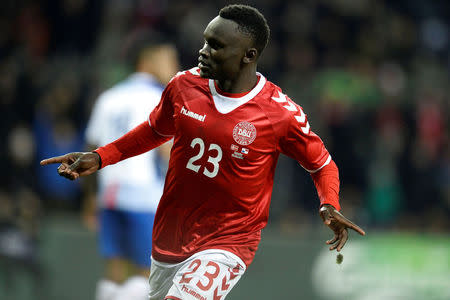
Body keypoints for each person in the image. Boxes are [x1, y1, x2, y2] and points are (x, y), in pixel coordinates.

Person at [41, 4, 365, 300]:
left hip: (229, 241)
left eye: (217, 46)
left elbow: (321, 164)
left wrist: (328, 204)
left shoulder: (278, 113)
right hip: (169, 238)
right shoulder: (184, 86)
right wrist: (100, 157)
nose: (203, 52)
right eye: (205, 41)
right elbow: (155, 131)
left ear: (248, 55)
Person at [82, 32, 179, 300]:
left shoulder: (109, 97)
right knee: (145, 273)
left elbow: (91, 150)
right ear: (148, 60)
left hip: (109, 194)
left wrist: (90, 199)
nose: (174, 66)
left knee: (114, 271)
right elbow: (168, 152)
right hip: (144, 196)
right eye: (168, 58)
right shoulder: (160, 98)